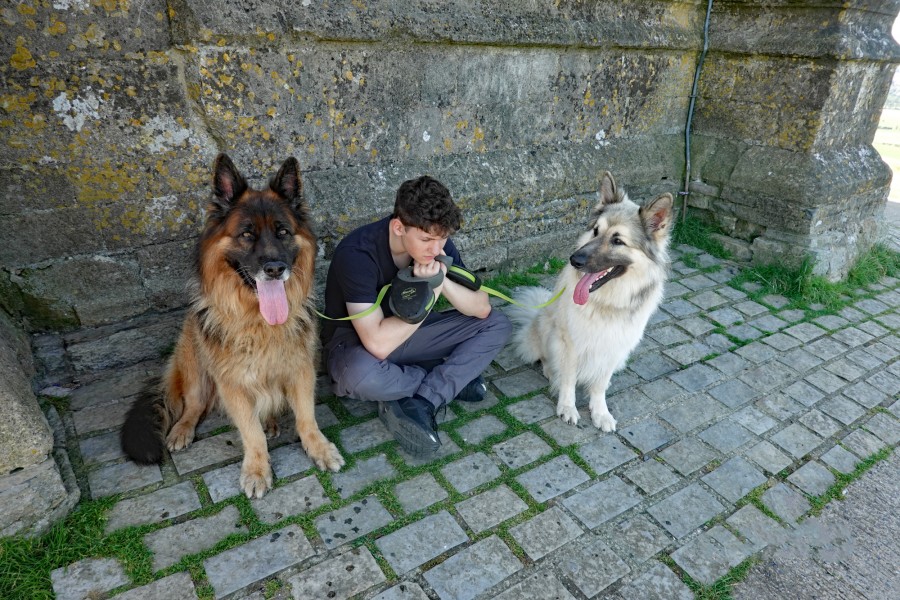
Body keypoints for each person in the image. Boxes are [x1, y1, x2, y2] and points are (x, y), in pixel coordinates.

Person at [321, 176, 512, 456]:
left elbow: (481, 307)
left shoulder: (437, 244)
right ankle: (444, 380)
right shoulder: (357, 253)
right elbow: (377, 343)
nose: (436, 249)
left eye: (442, 238)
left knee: (497, 324)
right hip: (357, 345)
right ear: (399, 227)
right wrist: (430, 293)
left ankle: (424, 398)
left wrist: (441, 283)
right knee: (361, 376)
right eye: (426, 240)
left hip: (410, 337)